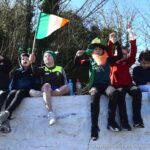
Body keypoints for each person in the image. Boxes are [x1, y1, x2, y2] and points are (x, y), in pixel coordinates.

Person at [74, 37, 123, 141]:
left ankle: (111, 122)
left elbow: (120, 56)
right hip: (94, 86)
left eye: (100, 49)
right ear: (93, 50)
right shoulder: (90, 60)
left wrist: (117, 44)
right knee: (95, 97)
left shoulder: (108, 59)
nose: (98, 50)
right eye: (95, 49)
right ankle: (94, 127)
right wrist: (77, 56)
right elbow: (77, 64)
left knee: (114, 93)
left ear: (103, 50)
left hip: (105, 85)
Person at [108, 30, 144, 129]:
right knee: (121, 96)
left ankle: (137, 120)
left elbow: (133, 54)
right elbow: (109, 52)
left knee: (137, 92)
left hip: (128, 84)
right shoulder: (113, 63)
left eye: (125, 54)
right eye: (121, 54)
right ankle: (124, 123)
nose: (123, 56)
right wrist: (111, 42)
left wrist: (133, 41)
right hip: (117, 85)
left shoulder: (127, 62)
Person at [0, 52, 41, 133]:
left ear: (30, 60)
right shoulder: (17, 72)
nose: (24, 60)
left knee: (20, 91)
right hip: (18, 91)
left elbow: (37, 83)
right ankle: (6, 121)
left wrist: (32, 67)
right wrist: (11, 90)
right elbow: (12, 86)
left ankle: (6, 113)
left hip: (29, 91)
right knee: (12, 92)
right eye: (23, 59)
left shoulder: (34, 70)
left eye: (27, 59)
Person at [30, 50, 69, 126]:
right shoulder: (42, 69)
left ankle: (43, 95)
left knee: (66, 87)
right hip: (46, 88)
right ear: (43, 60)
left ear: (53, 58)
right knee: (47, 85)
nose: (47, 57)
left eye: (49, 56)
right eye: (45, 56)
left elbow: (65, 83)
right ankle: (50, 113)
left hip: (58, 90)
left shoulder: (60, 68)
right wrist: (32, 62)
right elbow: (34, 71)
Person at [0, 55, 11, 132]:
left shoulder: (4, 63)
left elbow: (9, 64)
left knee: (2, 94)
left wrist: (2, 58)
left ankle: (3, 121)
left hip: (4, 89)